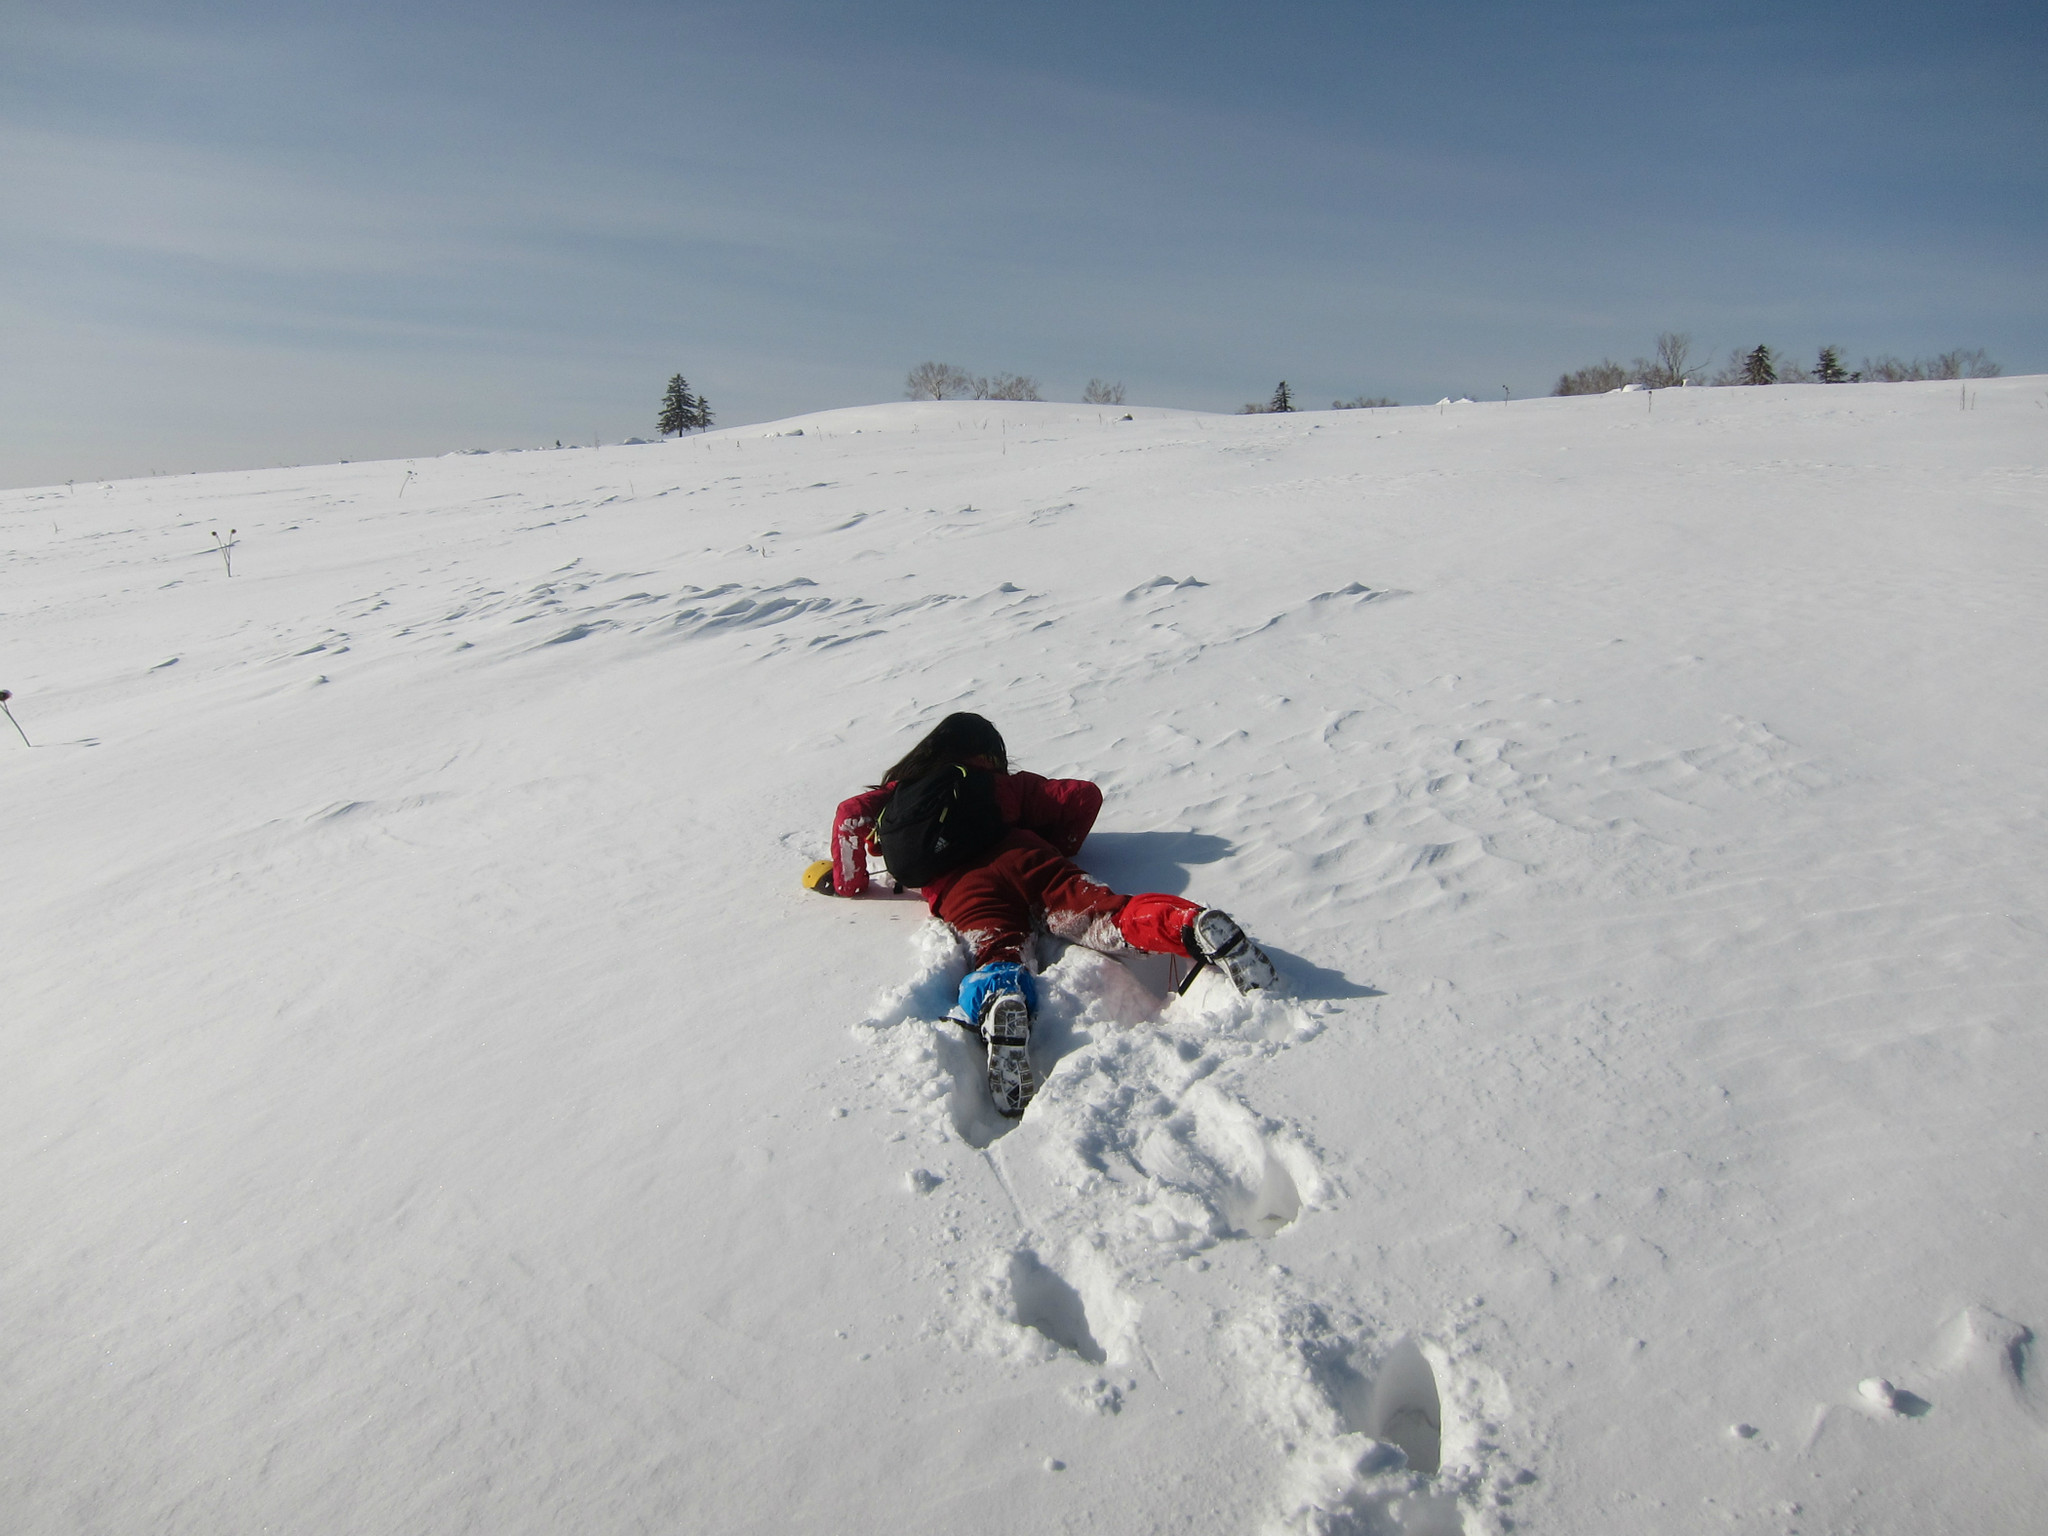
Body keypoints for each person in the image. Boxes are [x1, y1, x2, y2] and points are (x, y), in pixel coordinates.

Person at [806, 712, 1278, 1116]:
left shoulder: (896, 794)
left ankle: (1000, 1004)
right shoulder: (998, 784)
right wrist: (1054, 845)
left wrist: (851, 883)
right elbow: (1082, 797)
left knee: (995, 946)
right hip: (1027, 856)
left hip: (960, 888)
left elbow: (850, 815)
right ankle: (1192, 927)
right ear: (986, 753)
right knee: (1105, 917)